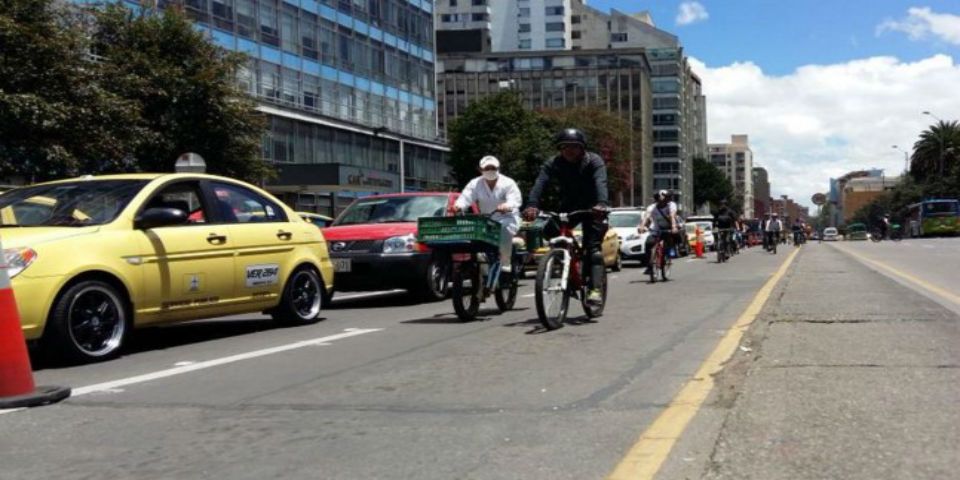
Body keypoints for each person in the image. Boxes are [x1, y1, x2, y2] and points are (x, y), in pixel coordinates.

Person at [523, 128, 609, 306]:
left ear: (582, 148)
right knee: (548, 228)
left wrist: (601, 204)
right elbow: (540, 183)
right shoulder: (553, 163)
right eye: (564, 147)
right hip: (569, 205)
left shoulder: (594, 161)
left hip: (594, 208)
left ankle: (595, 289)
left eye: (574, 146)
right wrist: (532, 205)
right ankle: (564, 261)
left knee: (593, 249)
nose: (569, 150)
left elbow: (600, 182)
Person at [452, 155, 523, 270]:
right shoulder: (475, 183)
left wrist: (507, 206)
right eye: (487, 168)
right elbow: (466, 197)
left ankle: (505, 262)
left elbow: (515, 200)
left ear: (498, 168)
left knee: (504, 228)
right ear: (480, 170)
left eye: (493, 168)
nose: (490, 171)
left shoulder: (508, 183)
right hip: (487, 220)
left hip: (508, 218)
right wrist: (458, 206)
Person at [639, 190, 679, 273]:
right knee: (648, 243)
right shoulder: (652, 207)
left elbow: (672, 216)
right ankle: (649, 265)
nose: (666, 200)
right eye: (664, 198)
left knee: (673, 237)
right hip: (656, 228)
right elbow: (646, 217)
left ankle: (671, 250)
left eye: (668, 198)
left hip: (669, 227)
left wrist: (673, 227)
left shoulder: (671, 205)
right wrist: (642, 227)